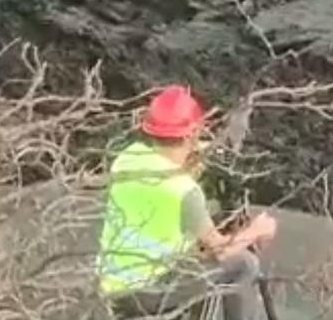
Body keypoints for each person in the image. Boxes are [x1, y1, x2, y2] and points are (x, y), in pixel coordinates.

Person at [96, 85, 278, 319]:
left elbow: (162, 173)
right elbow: (221, 251)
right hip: (148, 292)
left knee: (195, 260)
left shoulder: (128, 158)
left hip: (113, 288)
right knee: (243, 264)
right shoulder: (185, 191)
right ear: (192, 134)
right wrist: (256, 231)